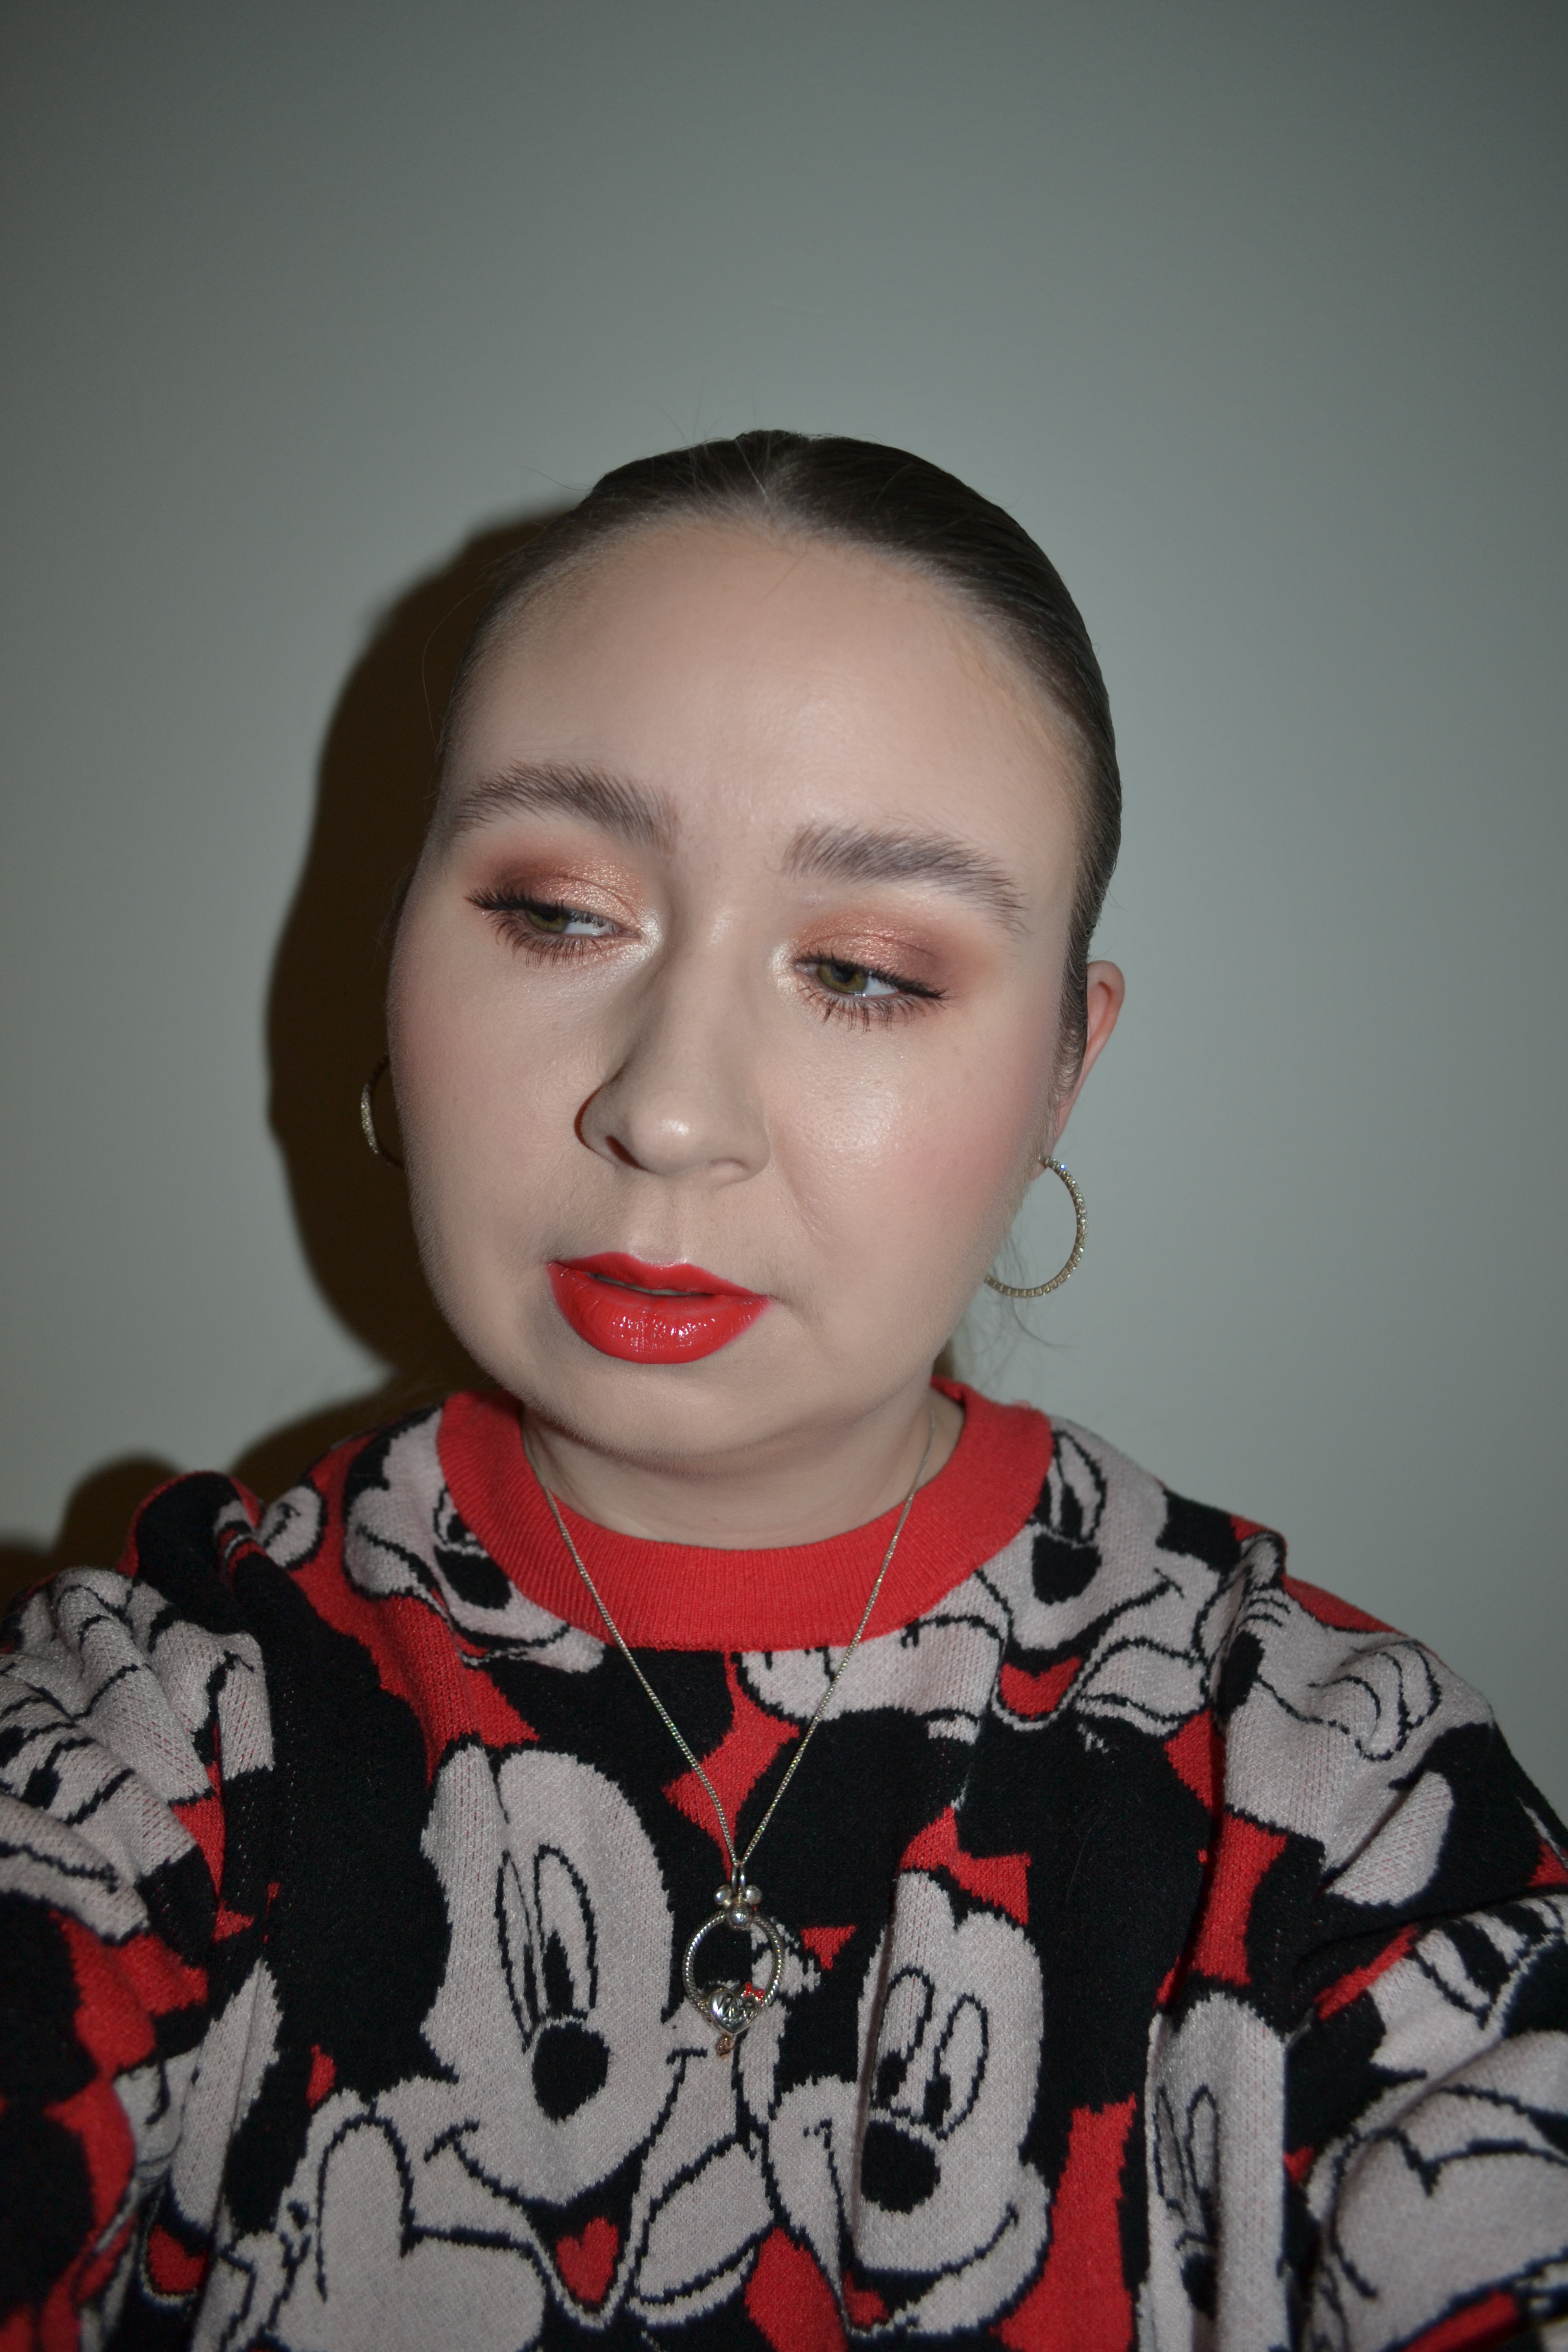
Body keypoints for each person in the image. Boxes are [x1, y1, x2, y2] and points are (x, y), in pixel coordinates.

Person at [2, 433, 1564, 2352]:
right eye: (555, 909)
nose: (668, 1109)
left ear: (1063, 1070)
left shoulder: (1336, 1812)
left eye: (866, 971)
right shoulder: (154, 1724)